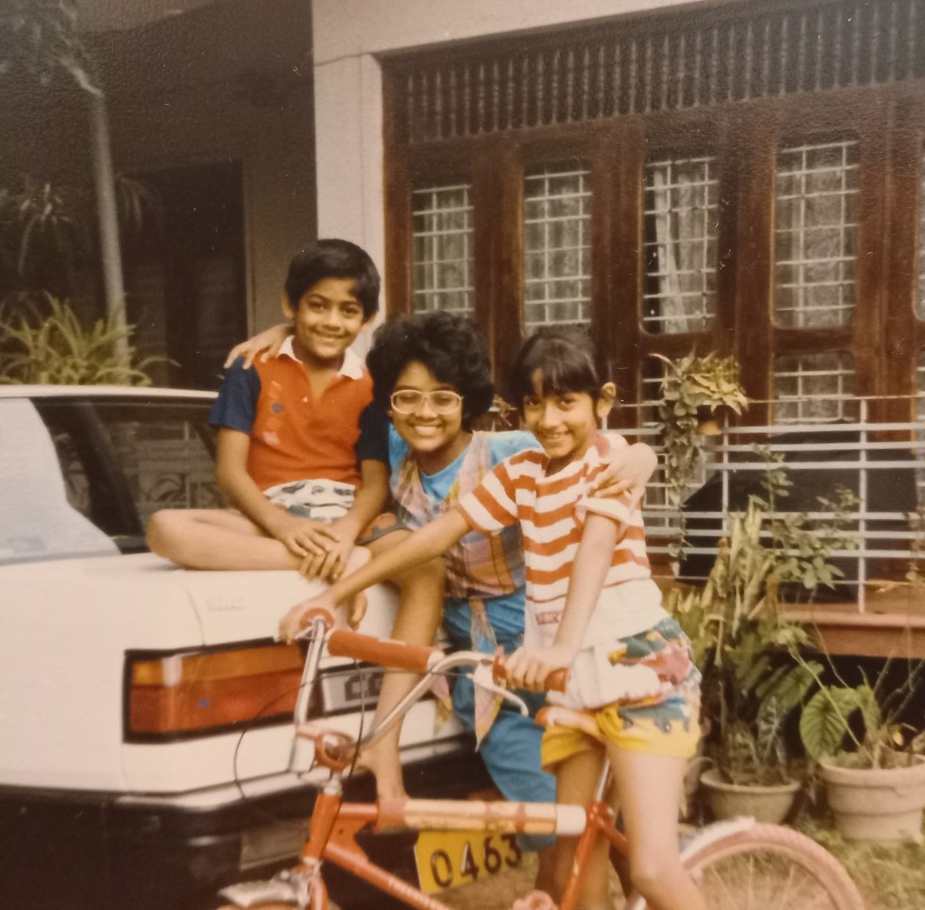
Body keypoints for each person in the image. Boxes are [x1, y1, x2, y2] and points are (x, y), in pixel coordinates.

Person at [280, 324, 705, 910]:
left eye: (566, 402)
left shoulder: (605, 463)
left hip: (637, 675)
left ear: (602, 403)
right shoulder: (522, 475)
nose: (550, 419)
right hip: (572, 684)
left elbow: (593, 553)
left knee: (654, 871)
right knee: (573, 859)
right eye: (535, 403)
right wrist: (334, 593)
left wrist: (559, 645)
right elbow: (435, 537)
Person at [147, 239, 430, 608]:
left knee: (423, 558)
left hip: (347, 518)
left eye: (348, 310)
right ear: (289, 305)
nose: (331, 321)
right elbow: (231, 473)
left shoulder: (370, 384)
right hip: (269, 519)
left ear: (367, 319)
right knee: (164, 528)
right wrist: (283, 526)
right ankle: (340, 564)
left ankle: (342, 554)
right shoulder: (250, 369)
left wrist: (345, 534)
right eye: (317, 305)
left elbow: (375, 484)